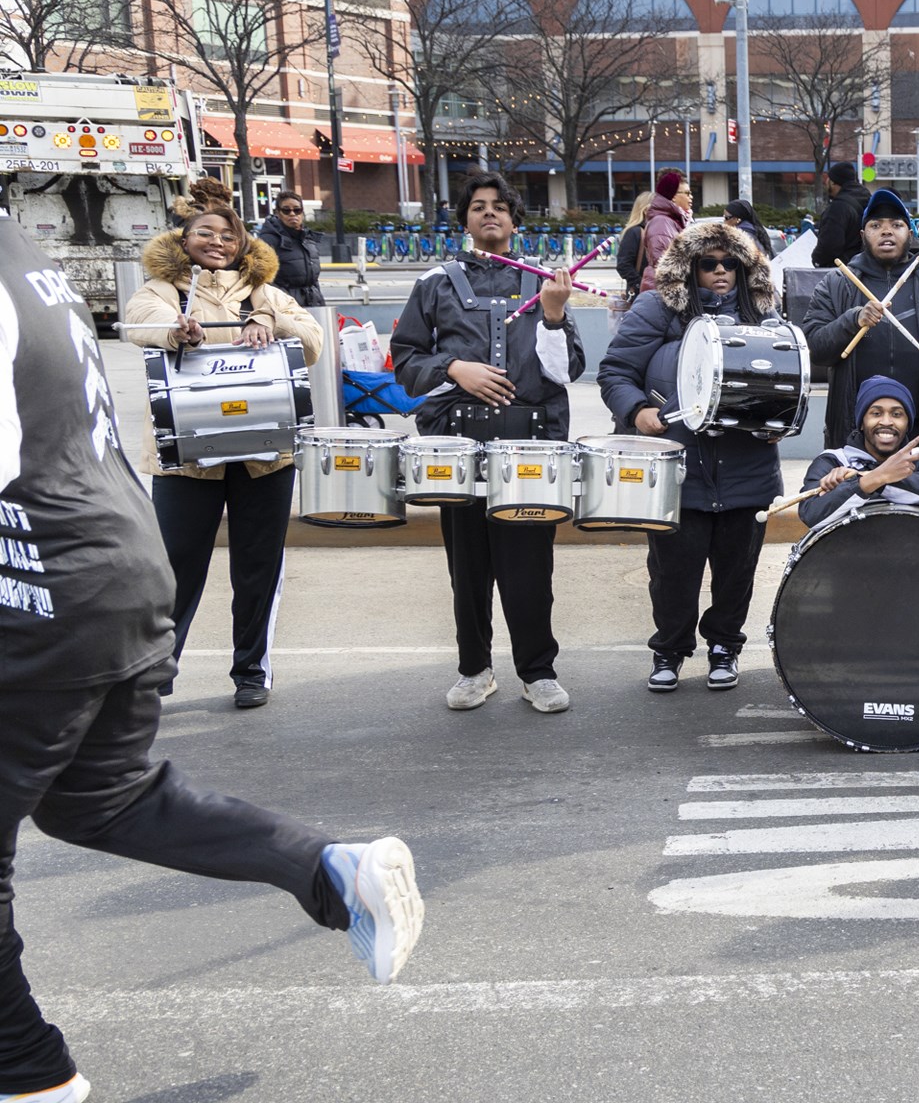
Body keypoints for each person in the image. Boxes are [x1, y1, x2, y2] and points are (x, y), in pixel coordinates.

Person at [0, 214, 422, 1102]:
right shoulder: (17, 248)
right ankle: (329, 869)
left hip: (34, 584)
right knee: (101, 799)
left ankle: (27, 1075)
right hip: (116, 562)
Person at [391, 171, 585, 714]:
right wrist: (456, 368)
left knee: (530, 569)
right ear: (465, 218)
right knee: (468, 567)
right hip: (459, 444)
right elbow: (405, 362)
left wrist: (552, 313)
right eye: (478, 206)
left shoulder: (546, 282)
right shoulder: (435, 283)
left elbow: (566, 369)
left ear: (515, 217)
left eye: (499, 206)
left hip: (530, 444)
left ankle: (538, 671)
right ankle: (474, 668)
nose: (489, 214)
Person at [121, 204, 324, 709]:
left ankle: (252, 671)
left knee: (258, 568)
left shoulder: (267, 293)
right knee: (174, 570)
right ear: (183, 240)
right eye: (204, 233)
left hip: (264, 458)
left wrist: (267, 320)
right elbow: (139, 324)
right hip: (187, 459)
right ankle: (157, 675)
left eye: (228, 236)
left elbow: (314, 340)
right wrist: (178, 330)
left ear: (242, 245)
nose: (217, 242)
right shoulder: (161, 291)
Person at [598, 221, 782, 693]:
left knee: (737, 571)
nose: (721, 272)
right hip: (677, 472)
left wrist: (778, 422)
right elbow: (616, 371)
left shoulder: (766, 317)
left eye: (731, 263)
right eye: (708, 263)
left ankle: (724, 646)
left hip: (747, 472)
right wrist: (636, 411)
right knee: (672, 574)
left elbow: (790, 382)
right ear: (689, 268)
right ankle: (670, 649)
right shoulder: (655, 309)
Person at [802, 188, 919, 475]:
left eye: (896, 225)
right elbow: (815, 349)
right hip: (856, 438)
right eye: (876, 226)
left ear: (910, 234)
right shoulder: (837, 284)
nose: (886, 232)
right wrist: (853, 320)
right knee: (859, 517)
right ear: (862, 235)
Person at [796, 375, 919, 529]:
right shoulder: (832, 460)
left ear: (908, 424)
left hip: (918, 552)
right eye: (876, 413)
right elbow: (811, 514)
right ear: (862, 423)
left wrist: (870, 478)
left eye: (897, 414)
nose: (886, 422)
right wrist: (869, 481)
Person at [621, 170, 691, 295]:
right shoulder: (647, 228)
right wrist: (639, 284)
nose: (690, 197)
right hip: (652, 292)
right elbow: (624, 265)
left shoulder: (675, 221)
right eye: (687, 193)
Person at [253, 191, 326, 307]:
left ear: (302, 212)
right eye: (286, 210)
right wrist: (284, 301)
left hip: (313, 304)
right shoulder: (268, 240)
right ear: (278, 213)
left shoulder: (308, 239)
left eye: (297, 210)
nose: (292, 214)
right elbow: (261, 278)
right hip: (285, 306)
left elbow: (313, 279)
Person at [810, 160, 870, 268]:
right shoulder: (866, 200)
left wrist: (816, 259)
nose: (825, 182)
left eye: (828, 179)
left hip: (841, 272)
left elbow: (829, 246)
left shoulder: (838, 208)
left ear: (833, 182)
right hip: (863, 268)